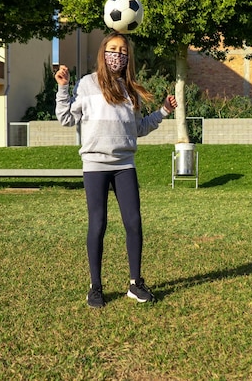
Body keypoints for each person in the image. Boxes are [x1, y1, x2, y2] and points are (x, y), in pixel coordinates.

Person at [54, 32, 177, 308]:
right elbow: (65, 118)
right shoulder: (87, 84)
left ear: (127, 57)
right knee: (98, 224)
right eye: (112, 49)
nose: (117, 55)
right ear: (103, 52)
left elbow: (138, 128)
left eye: (122, 51)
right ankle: (95, 287)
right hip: (95, 165)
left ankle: (135, 284)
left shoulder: (130, 90)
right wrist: (63, 87)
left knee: (134, 223)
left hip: (124, 165)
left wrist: (163, 112)